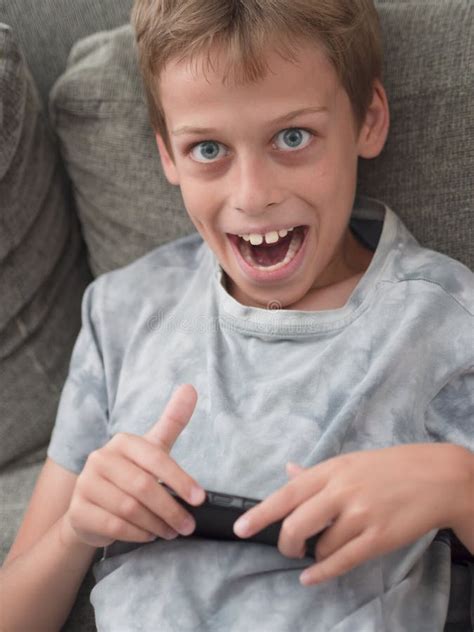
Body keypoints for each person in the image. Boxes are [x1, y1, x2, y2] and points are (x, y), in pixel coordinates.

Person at [1, 0, 473, 630]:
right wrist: (76, 530)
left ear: (368, 119)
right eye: (208, 149)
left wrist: (457, 484)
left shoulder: (442, 318)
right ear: (167, 154)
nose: (253, 196)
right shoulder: (123, 312)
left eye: (293, 137)